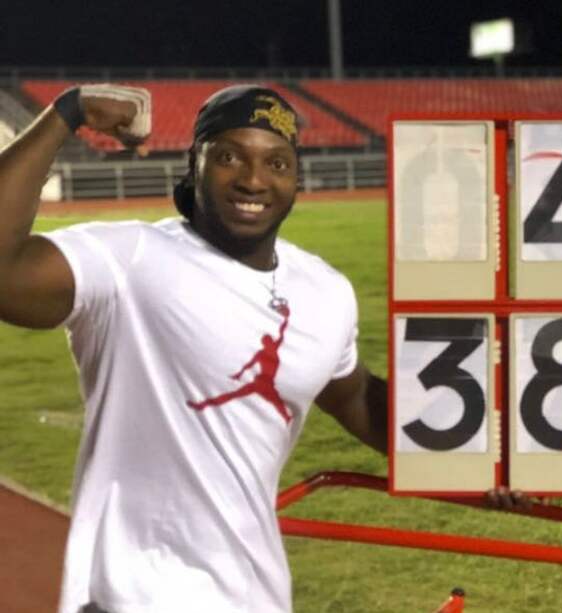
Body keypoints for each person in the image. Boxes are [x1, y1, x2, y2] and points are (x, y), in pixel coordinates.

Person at [0, 84, 525, 613]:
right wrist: (68, 112)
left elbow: (359, 400)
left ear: (296, 177)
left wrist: (483, 460)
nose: (253, 179)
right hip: (131, 595)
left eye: (276, 162)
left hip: (256, 594)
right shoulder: (129, 259)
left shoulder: (325, 291)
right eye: (229, 156)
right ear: (194, 164)